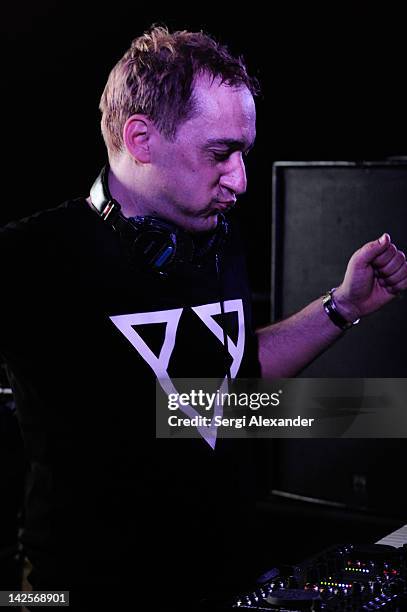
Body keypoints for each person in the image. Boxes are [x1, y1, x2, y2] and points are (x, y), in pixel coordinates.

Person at [1, 25, 407, 611]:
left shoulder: (214, 235)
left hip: (229, 581)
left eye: (244, 153)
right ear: (140, 139)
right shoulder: (32, 256)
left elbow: (225, 394)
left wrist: (342, 308)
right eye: (220, 154)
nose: (239, 180)